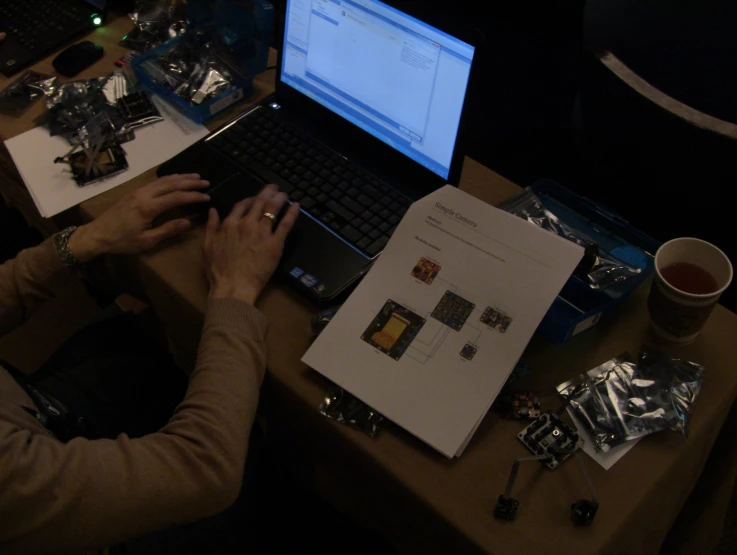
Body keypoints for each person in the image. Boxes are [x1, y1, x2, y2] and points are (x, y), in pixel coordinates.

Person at [0, 174, 303, 554]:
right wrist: (235, 288)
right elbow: (203, 470)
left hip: (35, 417)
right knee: (289, 478)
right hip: (88, 527)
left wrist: (84, 240)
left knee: (145, 335)